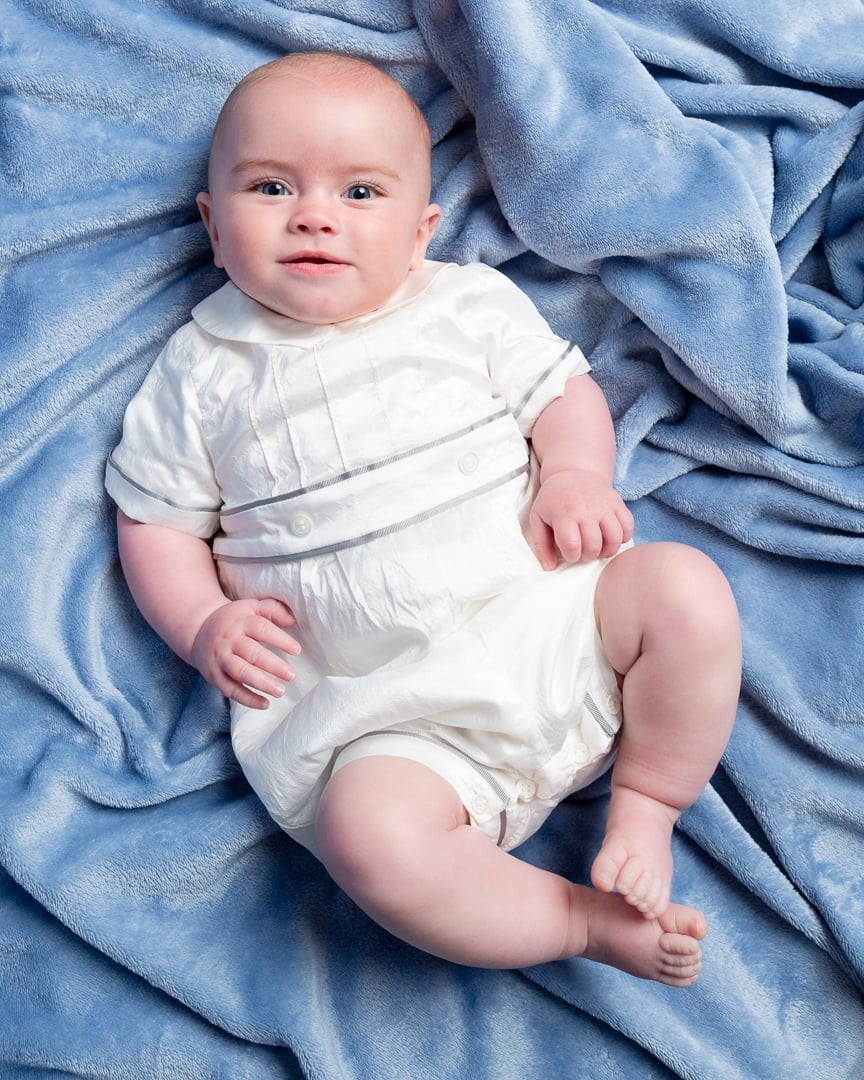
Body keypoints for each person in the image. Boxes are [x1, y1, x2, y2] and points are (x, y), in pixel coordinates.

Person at [106, 51, 742, 983]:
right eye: (271, 186)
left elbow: (563, 394)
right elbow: (154, 525)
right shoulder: (200, 370)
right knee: (367, 840)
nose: (315, 214)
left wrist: (572, 474)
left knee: (684, 590)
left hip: (552, 626)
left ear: (421, 232)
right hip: (389, 720)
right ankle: (580, 922)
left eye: (362, 191)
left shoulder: (464, 304)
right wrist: (203, 624)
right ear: (211, 223)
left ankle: (646, 805)